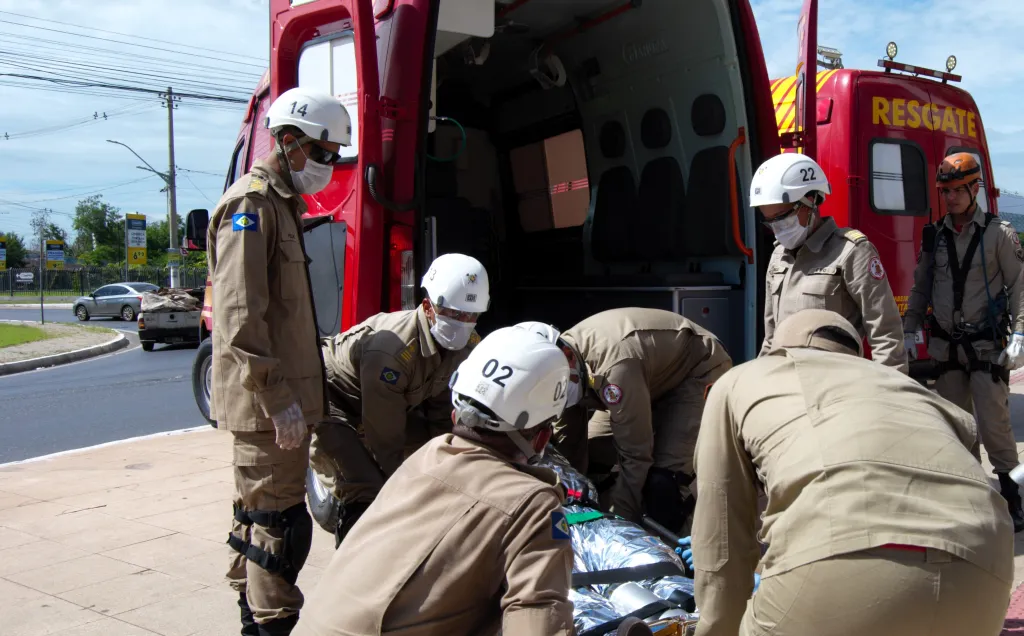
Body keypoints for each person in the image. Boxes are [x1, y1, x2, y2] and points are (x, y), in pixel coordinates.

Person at [688, 308, 1014, 636]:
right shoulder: (912, 390)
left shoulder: (739, 380)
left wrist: (717, 628)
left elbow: (722, 540)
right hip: (986, 568)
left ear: (779, 351)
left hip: (837, 566)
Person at [292, 326, 578, 636]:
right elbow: (538, 621)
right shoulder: (532, 503)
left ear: (457, 410)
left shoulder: (424, 457)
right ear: (542, 438)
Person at [208, 86, 352, 635]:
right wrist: (277, 397)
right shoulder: (251, 205)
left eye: (334, 155)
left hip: (281, 402)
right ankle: (270, 628)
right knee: (278, 527)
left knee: (258, 520)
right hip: (269, 409)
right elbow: (240, 317)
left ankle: (254, 624)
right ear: (288, 141)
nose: (328, 166)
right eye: (322, 154)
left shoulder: (282, 205)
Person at [309, 252, 489, 546]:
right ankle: (358, 560)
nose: (463, 323)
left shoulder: (465, 344)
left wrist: (450, 468)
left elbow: (442, 412)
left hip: (384, 407)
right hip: (331, 399)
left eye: (471, 316)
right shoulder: (392, 351)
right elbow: (385, 441)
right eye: (454, 314)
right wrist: (411, 495)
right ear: (429, 307)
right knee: (368, 487)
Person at [518, 307, 732, 535]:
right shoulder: (560, 366)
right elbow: (570, 445)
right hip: (645, 378)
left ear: (568, 357)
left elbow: (636, 453)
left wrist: (619, 523)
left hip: (695, 371)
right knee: (596, 454)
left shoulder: (613, 368)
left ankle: (681, 549)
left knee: (663, 481)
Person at [904, 151, 1024, 532]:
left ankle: (1012, 497)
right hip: (947, 348)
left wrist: (1020, 332)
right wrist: (910, 327)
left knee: (994, 426)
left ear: (975, 189)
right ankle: (969, 493)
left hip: (986, 346)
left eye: (958, 189)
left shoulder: (997, 234)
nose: (951, 197)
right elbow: (921, 285)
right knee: (954, 426)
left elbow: (1020, 287)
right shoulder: (935, 236)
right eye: (945, 190)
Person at [750, 152, 908, 373]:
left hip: (834, 384)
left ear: (811, 201)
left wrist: (890, 393)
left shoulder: (851, 252)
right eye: (770, 221)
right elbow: (770, 339)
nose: (778, 228)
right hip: (786, 385)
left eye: (783, 217)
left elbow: (886, 333)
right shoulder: (779, 257)